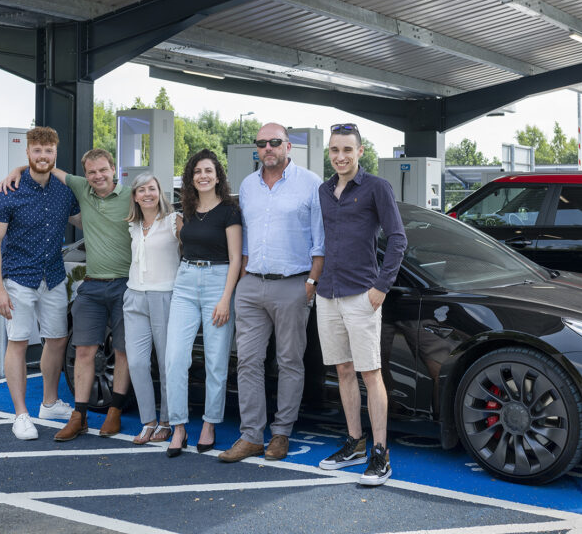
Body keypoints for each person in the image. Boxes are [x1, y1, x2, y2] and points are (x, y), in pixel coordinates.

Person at [0, 148, 134, 442]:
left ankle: (114, 412)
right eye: (92, 172)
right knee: (84, 350)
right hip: (92, 284)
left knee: (123, 351)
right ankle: (79, 416)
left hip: (127, 284)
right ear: (85, 175)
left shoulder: (132, 197)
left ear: (114, 169)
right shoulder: (80, 188)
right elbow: (44, 165)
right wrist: (19, 170)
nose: (98, 176)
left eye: (103, 170)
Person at [218, 124, 324, 464]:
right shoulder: (248, 186)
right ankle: (250, 436)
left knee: (290, 361)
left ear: (288, 147)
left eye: (274, 142)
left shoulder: (310, 183)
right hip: (252, 285)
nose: (268, 148)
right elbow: (245, 237)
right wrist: (243, 278)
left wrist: (311, 282)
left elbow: (321, 240)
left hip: (294, 284)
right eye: (262, 143)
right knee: (248, 361)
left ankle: (281, 434)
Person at [315, 122, 406, 485]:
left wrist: (381, 287)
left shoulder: (376, 187)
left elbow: (398, 240)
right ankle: (354, 443)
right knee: (343, 371)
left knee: (371, 374)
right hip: (328, 295)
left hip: (361, 295)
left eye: (347, 150)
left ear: (360, 151)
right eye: (335, 150)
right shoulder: (324, 191)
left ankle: (380, 454)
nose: (340, 156)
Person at [0, 126, 81, 440]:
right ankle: (21, 415)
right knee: (19, 342)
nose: (43, 156)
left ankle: (50, 403)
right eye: (36, 151)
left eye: (48, 151)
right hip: (19, 280)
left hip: (53, 276)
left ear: (56, 152)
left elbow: (85, 219)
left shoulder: (65, 190)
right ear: (28, 152)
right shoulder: (7, 191)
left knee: (56, 339)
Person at [165, 149, 242, 457]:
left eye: (208, 170)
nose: (203, 176)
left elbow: (236, 258)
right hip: (185, 281)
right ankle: (179, 427)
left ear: (218, 176)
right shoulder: (186, 208)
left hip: (218, 282)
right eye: (197, 171)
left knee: (215, 361)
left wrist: (226, 298)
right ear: (191, 177)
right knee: (175, 359)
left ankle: (209, 424)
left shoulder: (229, 210)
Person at [123, 172, 180, 445]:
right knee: (136, 362)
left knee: (167, 363)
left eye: (152, 188)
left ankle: (168, 421)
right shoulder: (133, 226)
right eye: (141, 190)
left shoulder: (173, 221)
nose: (147, 194)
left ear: (160, 192)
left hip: (165, 296)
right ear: (134, 196)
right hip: (134, 296)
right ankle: (148, 421)